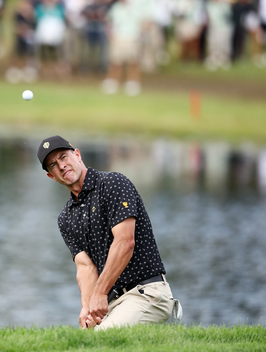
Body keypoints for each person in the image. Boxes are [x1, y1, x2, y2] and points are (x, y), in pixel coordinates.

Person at [36, 135, 182, 330]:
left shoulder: (113, 183)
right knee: (83, 340)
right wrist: (87, 308)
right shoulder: (66, 218)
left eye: (63, 157)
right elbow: (85, 268)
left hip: (146, 292)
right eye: (53, 165)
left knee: (101, 340)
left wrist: (99, 294)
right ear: (51, 176)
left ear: (77, 155)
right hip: (113, 301)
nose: (61, 165)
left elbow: (125, 242)